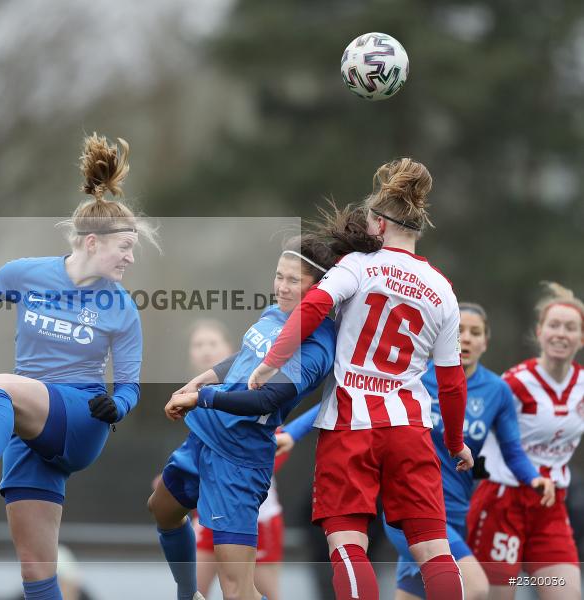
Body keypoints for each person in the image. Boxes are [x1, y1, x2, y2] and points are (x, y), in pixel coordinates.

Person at [0, 134, 155, 600]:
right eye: (125, 246)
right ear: (93, 242)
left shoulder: (122, 307)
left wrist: (115, 406)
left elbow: (131, 387)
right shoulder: (26, 274)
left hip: (80, 420)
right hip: (27, 425)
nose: (131, 257)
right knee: (37, 572)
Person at [249, 159, 474, 600]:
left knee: (348, 541)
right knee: (433, 547)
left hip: (351, 424)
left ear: (379, 223)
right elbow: (450, 382)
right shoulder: (442, 288)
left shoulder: (359, 265)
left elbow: (313, 307)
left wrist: (271, 361)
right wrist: (454, 442)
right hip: (409, 428)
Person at [154, 226, 369, 600]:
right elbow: (244, 357)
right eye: (279, 277)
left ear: (319, 290)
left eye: (293, 281)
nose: (282, 287)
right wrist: (199, 381)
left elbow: (266, 399)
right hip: (205, 437)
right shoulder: (276, 312)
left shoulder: (317, 346)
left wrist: (201, 399)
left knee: (238, 590)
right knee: (162, 509)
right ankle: (188, 594)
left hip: (238, 462)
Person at [378, 303, 556, 600]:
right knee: (474, 586)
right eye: (460, 331)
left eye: (476, 332)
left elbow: (512, 450)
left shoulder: (496, 390)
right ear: (445, 334)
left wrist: (533, 478)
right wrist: (293, 431)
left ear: (486, 342)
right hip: (412, 506)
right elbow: (352, 396)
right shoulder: (416, 376)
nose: (468, 338)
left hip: (458, 515)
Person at [467, 282, 584, 600]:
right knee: (497, 595)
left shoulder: (581, 384)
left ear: (581, 337)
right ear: (540, 332)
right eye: (554, 325)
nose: (561, 333)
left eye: (570, 328)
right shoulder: (515, 383)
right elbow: (472, 431)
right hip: (503, 501)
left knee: (567, 593)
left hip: (551, 505)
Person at [185, 321, 286, 600]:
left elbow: (275, 447)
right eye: (198, 345)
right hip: (208, 510)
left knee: (251, 592)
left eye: (212, 343)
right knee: (192, 592)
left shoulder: (254, 389)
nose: (205, 351)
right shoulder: (191, 397)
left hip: (255, 513)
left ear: (232, 349)